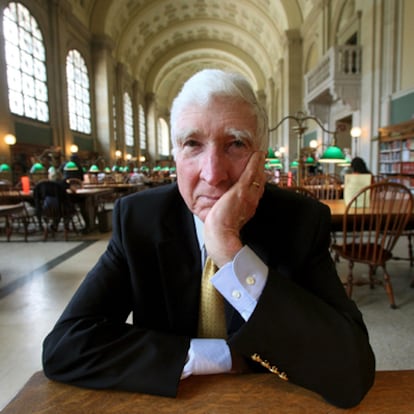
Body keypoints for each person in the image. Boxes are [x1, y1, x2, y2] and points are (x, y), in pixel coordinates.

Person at [42, 69, 375, 408]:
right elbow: (65, 347)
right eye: (192, 144)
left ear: (260, 159)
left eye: (236, 144)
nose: (213, 174)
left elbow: (352, 373)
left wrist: (231, 252)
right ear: (175, 156)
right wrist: (221, 357)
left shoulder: (300, 221)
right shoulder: (139, 219)